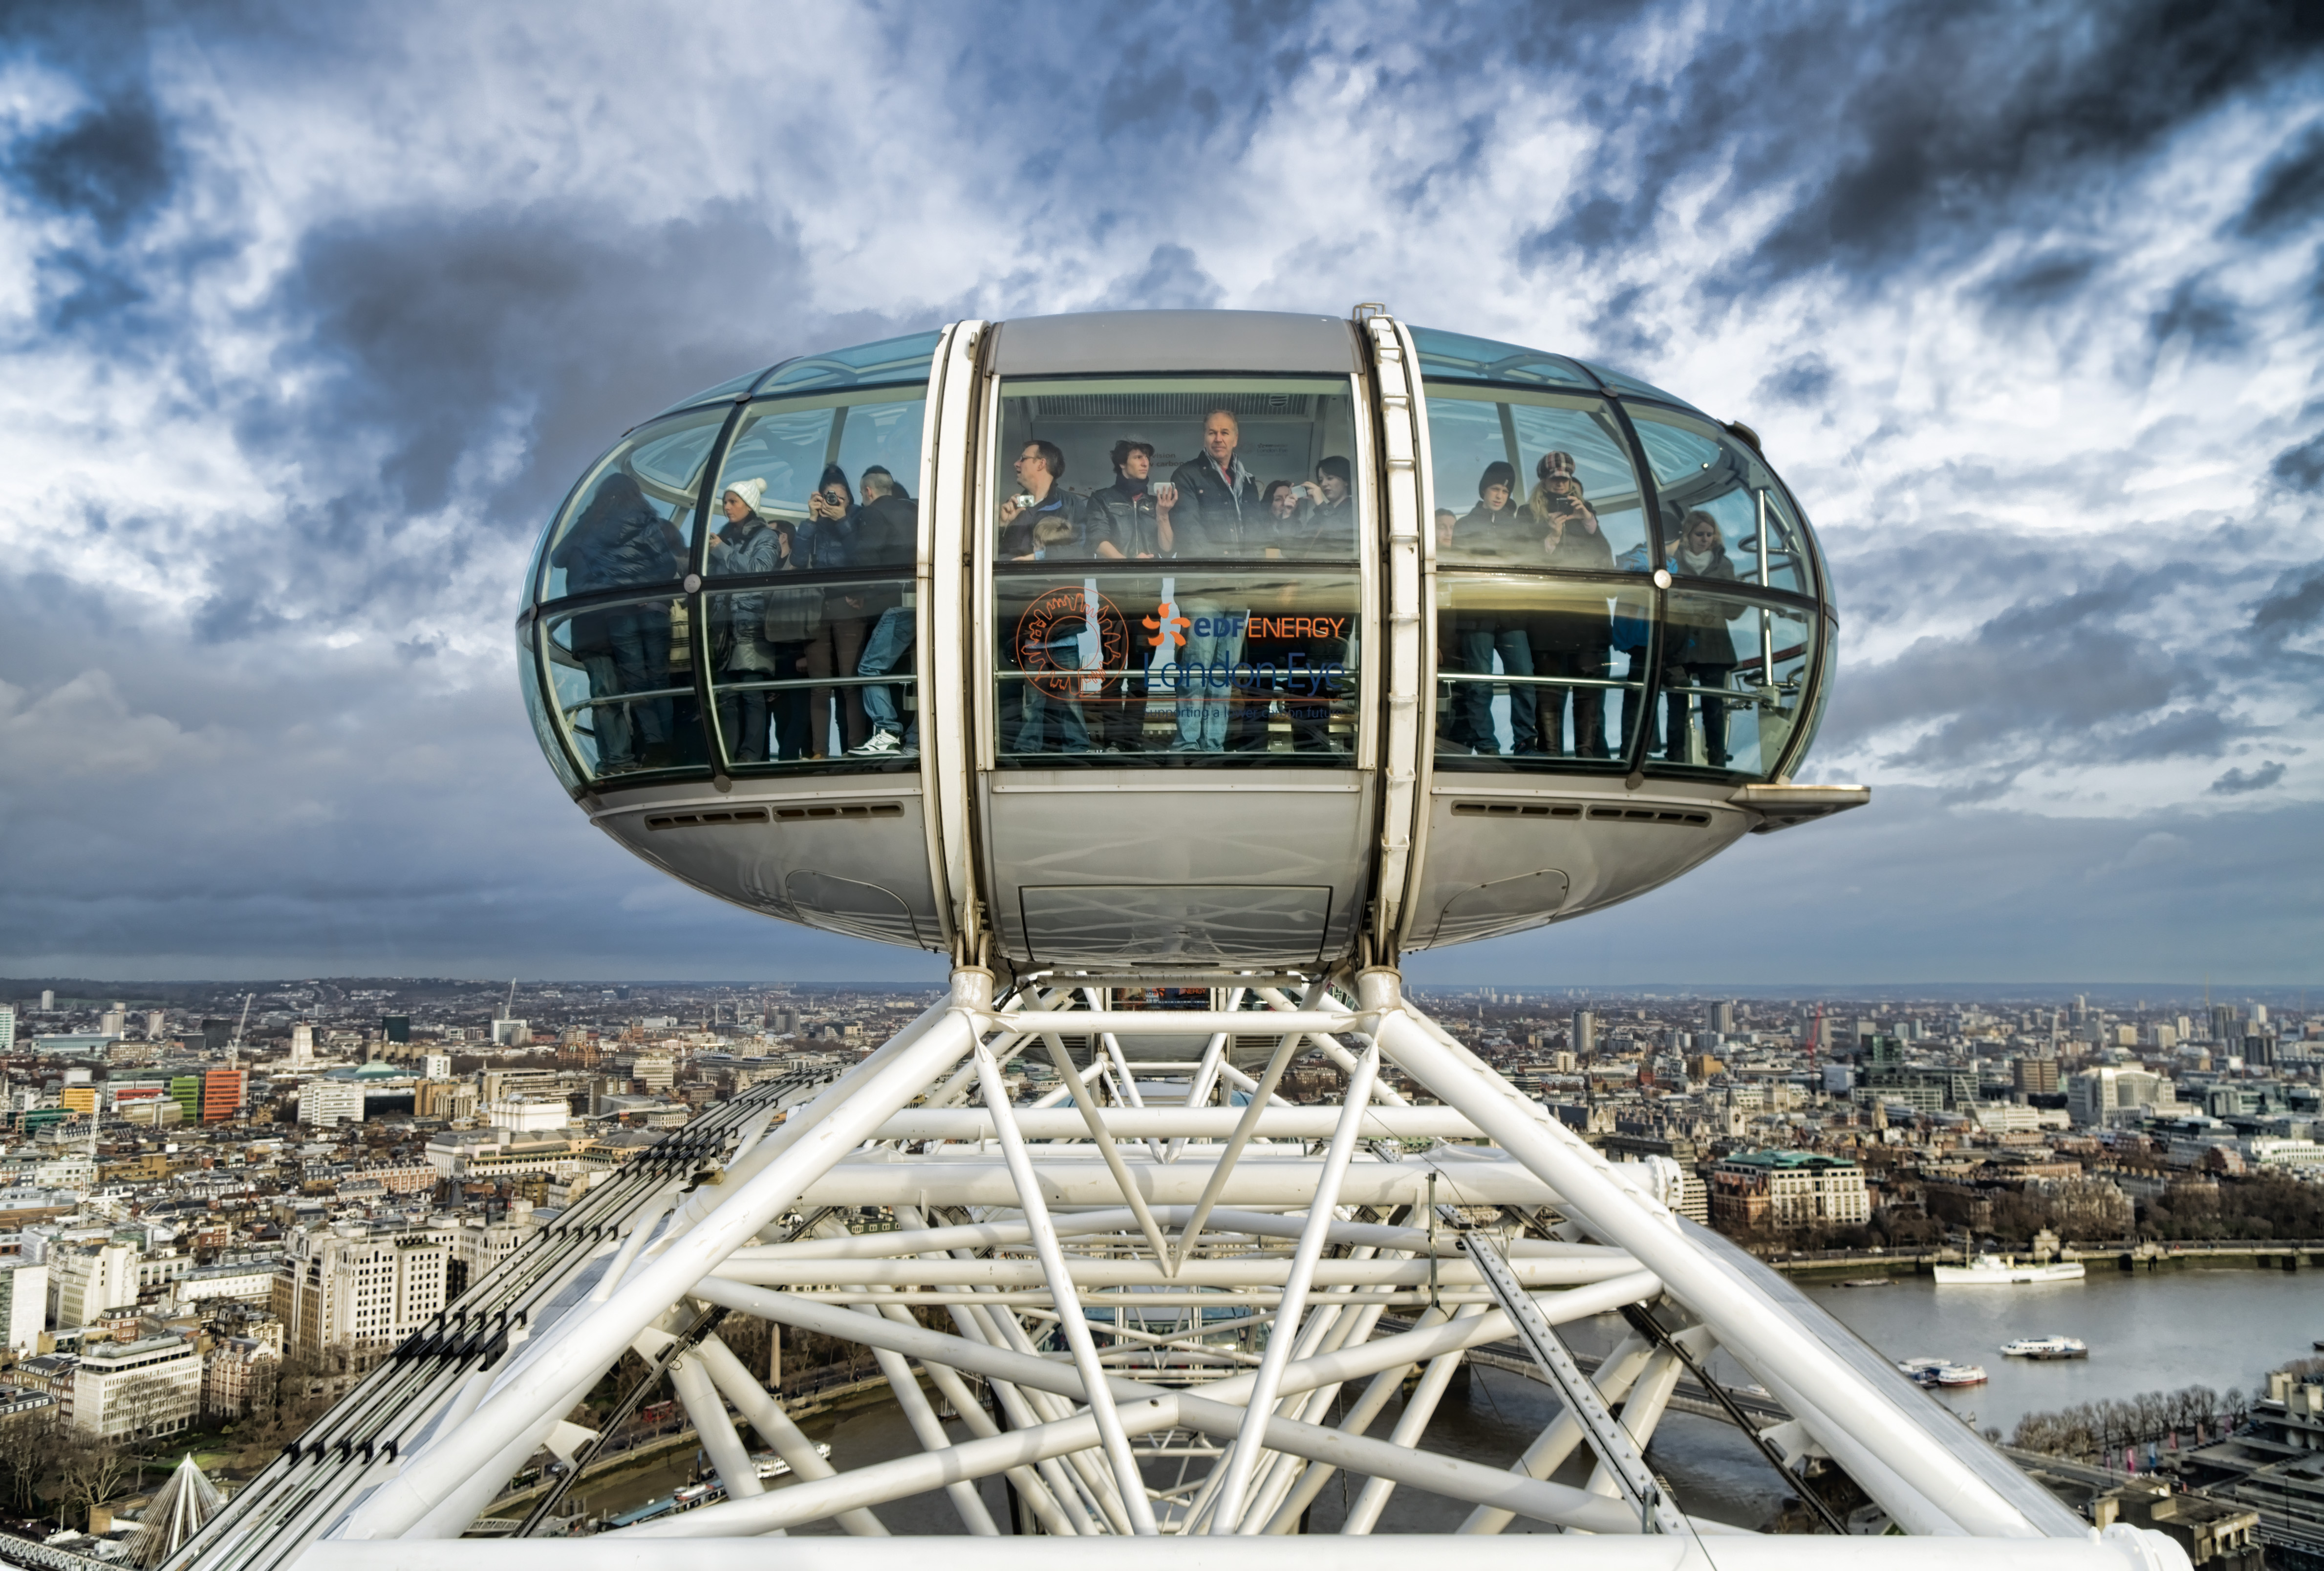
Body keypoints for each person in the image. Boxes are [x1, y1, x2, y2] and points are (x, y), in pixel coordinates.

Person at [550, 471, 685, 771]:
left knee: (611, 695)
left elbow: (558, 558)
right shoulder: (639, 526)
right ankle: (635, 754)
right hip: (608, 624)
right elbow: (664, 565)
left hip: (603, 623)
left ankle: (621, 758)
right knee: (627, 690)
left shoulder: (590, 532)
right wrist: (638, 588)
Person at [1166, 409, 1262, 751]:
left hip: (1239, 590)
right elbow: (1190, 533)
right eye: (1211, 433)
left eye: (1225, 433)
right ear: (1203, 437)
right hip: (1203, 588)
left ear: (1236, 439)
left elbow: (1256, 533)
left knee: (1223, 674)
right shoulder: (1187, 474)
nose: (1218, 438)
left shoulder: (1248, 481)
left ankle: (1214, 745)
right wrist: (1228, 567)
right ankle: (1187, 744)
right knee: (1196, 669)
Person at [1082, 441, 1176, 751]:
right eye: (1138, 457)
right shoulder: (1102, 499)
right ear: (1122, 464)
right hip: (1115, 600)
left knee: (1141, 675)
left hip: (1150, 601)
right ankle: (1112, 741)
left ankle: (1132, 742)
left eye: (1148, 457)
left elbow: (1167, 549)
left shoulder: (1154, 503)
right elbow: (1098, 540)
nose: (1145, 462)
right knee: (1111, 672)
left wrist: (1163, 516)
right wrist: (1129, 562)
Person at [997, 440, 1090, 753]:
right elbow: (999, 562)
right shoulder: (1016, 507)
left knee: (1069, 698)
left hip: (1063, 619)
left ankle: (1077, 750)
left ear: (1041, 464)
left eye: (1023, 458)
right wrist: (1002, 526)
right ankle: (1027, 751)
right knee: (1031, 700)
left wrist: (1036, 559)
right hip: (1025, 620)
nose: (1016, 464)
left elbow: (1080, 549)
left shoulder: (1073, 504)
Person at [1451, 460, 1537, 755]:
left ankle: (1526, 743)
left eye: (1505, 490)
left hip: (1511, 614)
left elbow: (1524, 563)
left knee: (1524, 679)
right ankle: (1487, 746)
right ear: (1484, 490)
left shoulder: (1516, 525)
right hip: (1477, 615)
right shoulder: (1465, 525)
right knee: (1480, 685)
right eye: (1495, 489)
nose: (1500, 495)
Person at [705, 478, 783, 764]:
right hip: (724, 628)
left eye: (733, 502)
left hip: (751, 624)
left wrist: (722, 552)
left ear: (749, 505)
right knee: (727, 698)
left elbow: (758, 570)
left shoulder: (766, 537)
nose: (726, 507)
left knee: (751, 694)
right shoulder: (727, 538)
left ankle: (750, 755)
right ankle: (728, 755)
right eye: (725, 502)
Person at [1530, 493, 1614, 757]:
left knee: (1587, 695)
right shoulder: (1534, 521)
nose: (1569, 506)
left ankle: (1585, 753)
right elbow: (1531, 567)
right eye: (1562, 500)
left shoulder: (1591, 533)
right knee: (1549, 694)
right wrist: (1553, 537)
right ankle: (1551, 755)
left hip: (1587, 626)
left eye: (1576, 500)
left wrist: (1589, 523)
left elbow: (1609, 572)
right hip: (1550, 625)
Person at [846, 467, 920, 758]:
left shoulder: (872, 513)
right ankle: (916, 739)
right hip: (925, 602)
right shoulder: (914, 510)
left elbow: (867, 558)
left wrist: (860, 593)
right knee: (922, 672)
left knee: (870, 668)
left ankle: (887, 732)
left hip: (897, 604)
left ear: (868, 491)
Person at [1662, 509, 1741, 767]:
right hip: (1680, 640)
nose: (1705, 539)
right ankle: (1675, 756)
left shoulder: (1724, 565)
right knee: (1677, 706)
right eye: (1700, 534)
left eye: (1710, 534)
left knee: (1714, 707)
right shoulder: (1672, 560)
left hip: (1712, 642)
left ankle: (1717, 757)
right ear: (1688, 535)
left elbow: (1732, 611)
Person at [798, 464, 866, 757]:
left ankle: (856, 748)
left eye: (837, 497)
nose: (832, 503)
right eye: (827, 497)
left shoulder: (859, 518)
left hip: (848, 605)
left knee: (850, 685)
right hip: (818, 607)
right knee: (820, 685)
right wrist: (811, 520)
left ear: (849, 499)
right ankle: (819, 752)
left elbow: (862, 557)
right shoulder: (816, 524)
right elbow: (800, 560)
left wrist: (842, 522)